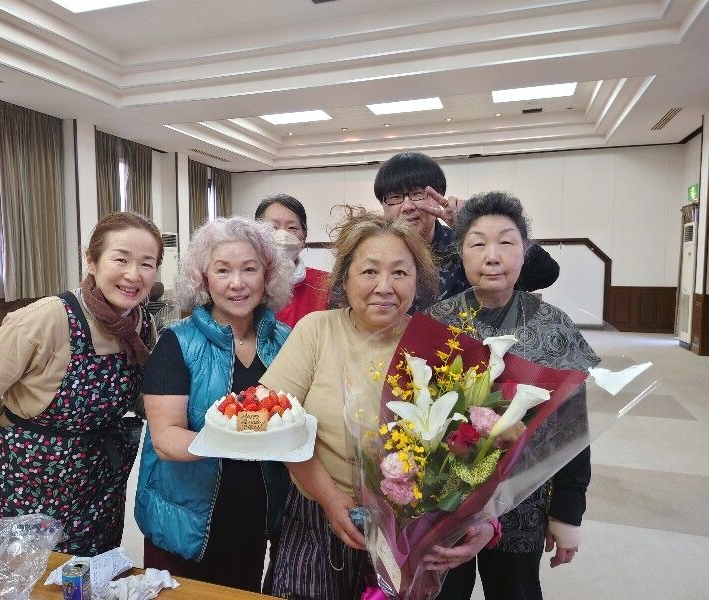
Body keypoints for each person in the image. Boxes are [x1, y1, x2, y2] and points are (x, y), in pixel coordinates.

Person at [260, 207, 498, 600]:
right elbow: (274, 420)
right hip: (318, 515)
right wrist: (329, 498)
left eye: (400, 272)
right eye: (369, 271)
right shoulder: (316, 330)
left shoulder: (440, 345)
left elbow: (479, 445)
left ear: (417, 280)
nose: (384, 286)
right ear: (345, 278)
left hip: (410, 528)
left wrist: (485, 520)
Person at [425, 191, 599, 600]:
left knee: (516, 590)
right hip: (445, 501)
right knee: (443, 590)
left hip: (524, 499)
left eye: (506, 242)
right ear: (461, 254)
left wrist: (567, 512)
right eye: (477, 244)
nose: (492, 256)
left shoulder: (553, 326)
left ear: (525, 252)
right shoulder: (436, 323)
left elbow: (571, 428)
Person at [0, 211, 162, 555]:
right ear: (92, 261)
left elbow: (136, 397)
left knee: (91, 569)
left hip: (99, 481)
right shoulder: (47, 317)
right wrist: (16, 428)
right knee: (24, 571)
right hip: (30, 479)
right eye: (121, 259)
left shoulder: (141, 325)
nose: (133, 274)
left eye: (147, 263)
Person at [134, 217, 294, 593]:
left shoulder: (286, 340)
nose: (237, 283)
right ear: (203, 279)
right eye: (222, 270)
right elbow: (166, 439)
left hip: (254, 518)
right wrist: (238, 435)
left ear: (267, 275)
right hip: (185, 521)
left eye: (250, 269)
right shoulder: (178, 343)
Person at [374, 152, 560, 305]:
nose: (407, 206)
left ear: (438, 194)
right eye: (395, 197)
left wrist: (471, 222)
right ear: (383, 204)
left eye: (417, 194)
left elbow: (545, 274)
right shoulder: (372, 251)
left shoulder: (466, 246)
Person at [255, 193, 330, 327]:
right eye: (272, 228)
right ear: (256, 236)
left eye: (292, 228)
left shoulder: (326, 284)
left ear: (304, 237)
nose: (282, 235)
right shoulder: (245, 284)